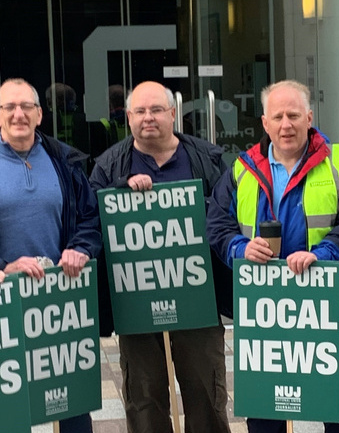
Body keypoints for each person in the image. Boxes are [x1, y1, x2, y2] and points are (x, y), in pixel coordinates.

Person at [206, 80, 339, 433]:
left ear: (309, 118)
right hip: (264, 306)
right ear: (264, 123)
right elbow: (218, 225)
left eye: (294, 115)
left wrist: (323, 255)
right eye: (278, 116)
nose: (286, 124)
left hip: (326, 303)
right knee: (266, 406)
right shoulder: (240, 168)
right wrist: (240, 248)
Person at [0, 78, 101, 432]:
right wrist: (3, 265)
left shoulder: (66, 160)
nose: (18, 114)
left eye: (26, 107)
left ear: (39, 114)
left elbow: (89, 217)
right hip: (0, 297)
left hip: (60, 297)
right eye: (9, 107)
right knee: (7, 404)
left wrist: (80, 248)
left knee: (71, 400)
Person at [89, 81, 232, 433]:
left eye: (156, 110)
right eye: (140, 111)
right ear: (128, 117)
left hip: (198, 300)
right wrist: (116, 197)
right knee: (144, 398)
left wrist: (199, 208)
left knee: (206, 396)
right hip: (136, 304)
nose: (148, 118)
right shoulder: (109, 166)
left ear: (173, 113)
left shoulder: (210, 159)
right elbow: (91, 221)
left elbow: (231, 216)